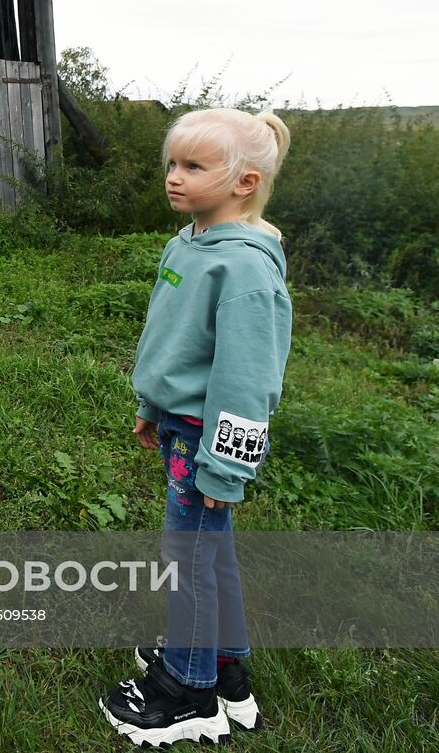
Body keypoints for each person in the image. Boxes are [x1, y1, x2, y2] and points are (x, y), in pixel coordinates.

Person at [99, 108, 293, 746]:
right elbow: (175, 341)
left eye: (194, 167)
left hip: (207, 442)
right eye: (171, 165)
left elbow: (248, 378)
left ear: (244, 183)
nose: (174, 178)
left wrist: (227, 464)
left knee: (190, 559)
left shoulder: (243, 270)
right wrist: (152, 404)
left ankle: (188, 691)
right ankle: (224, 665)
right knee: (211, 553)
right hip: (180, 426)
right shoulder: (188, 243)